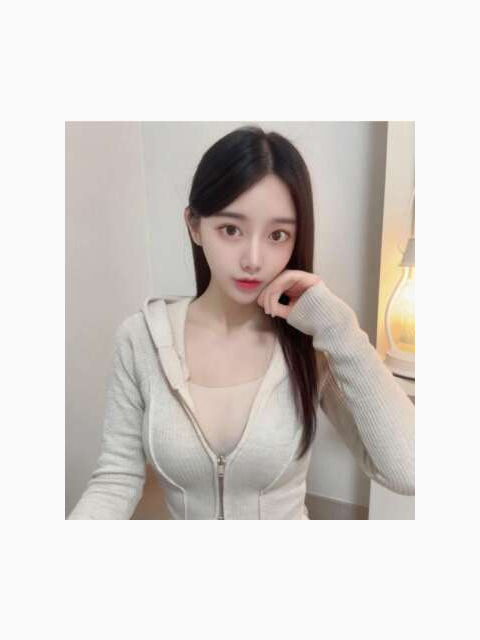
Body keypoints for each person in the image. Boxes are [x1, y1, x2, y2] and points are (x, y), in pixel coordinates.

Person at [68, 125, 415, 520]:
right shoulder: (140, 340)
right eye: (231, 229)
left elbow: (410, 470)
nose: (253, 259)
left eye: (277, 235)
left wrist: (339, 328)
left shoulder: (312, 344)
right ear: (194, 225)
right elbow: (116, 479)